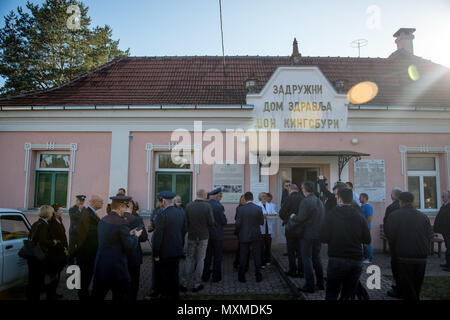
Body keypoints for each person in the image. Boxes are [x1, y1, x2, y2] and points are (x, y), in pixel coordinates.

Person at [320, 188, 371, 300]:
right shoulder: (359, 216)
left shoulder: (332, 215)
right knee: (348, 293)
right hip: (356, 259)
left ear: (339, 199)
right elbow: (367, 239)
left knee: (332, 292)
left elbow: (323, 237)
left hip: (337, 258)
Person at [384, 192, 433, 300]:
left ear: (400, 202)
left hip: (403, 256)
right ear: (412, 201)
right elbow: (429, 235)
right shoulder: (423, 216)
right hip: (421, 256)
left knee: (406, 288)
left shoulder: (395, 215)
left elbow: (390, 234)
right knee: (416, 286)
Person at [92, 196, 142, 300]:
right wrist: (136, 236)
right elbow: (129, 246)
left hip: (101, 265)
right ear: (120, 207)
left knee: (97, 295)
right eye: (125, 207)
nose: (125, 210)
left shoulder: (103, 220)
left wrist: (128, 233)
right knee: (121, 295)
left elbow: (110, 237)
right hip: (117, 268)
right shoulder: (122, 222)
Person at [286, 181, 324, 293]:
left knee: (306, 259)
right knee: (317, 258)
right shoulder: (319, 201)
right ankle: (321, 283)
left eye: (302, 188)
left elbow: (300, 218)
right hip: (318, 234)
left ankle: (310, 285)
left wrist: (293, 216)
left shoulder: (306, 201)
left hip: (307, 234)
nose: (301, 190)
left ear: (305, 189)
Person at [152, 191, 187, 300]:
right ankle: (175, 295)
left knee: (164, 277)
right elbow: (184, 230)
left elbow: (158, 236)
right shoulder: (181, 212)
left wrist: (156, 253)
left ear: (163, 201)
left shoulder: (161, 214)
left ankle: (166, 295)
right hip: (176, 248)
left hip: (164, 251)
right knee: (174, 276)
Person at [180, 189, 214, 292]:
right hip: (203, 236)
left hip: (192, 236)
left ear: (197, 195)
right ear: (203, 195)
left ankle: (184, 283)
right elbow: (212, 222)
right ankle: (196, 284)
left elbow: (185, 221)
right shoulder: (207, 206)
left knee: (189, 259)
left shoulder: (189, 205)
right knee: (200, 260)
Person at [26, 205, 58, 300]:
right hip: (39, 257)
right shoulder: (44, 225)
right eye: (52, 213)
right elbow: (43, 241)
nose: (53, 214)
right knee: (37, 281)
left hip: (32, 256)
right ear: (48, 214)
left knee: (32, 281)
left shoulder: (36, 223)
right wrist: (53, 242)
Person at [75, 195, 103, 300]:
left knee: (86, 276)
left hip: (89, 251)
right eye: (101, 201)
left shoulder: (91, 213)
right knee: (85, 277)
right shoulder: (87, 214)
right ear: (94, 202)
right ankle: (83, 296)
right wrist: (102, 229)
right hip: (86, 252)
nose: (102, 203)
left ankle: (84, 294)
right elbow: (88, 232)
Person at [235, 192, 264, 283]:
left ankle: (242, 276)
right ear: (252, 198)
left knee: (243, 255)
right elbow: (261, 222)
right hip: (256, 234)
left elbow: (238, 223)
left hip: (244, 234)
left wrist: (239, 231)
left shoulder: (241, 209)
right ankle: (258, 276)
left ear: (245, 199)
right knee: (256, 255)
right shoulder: (258, 208)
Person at [123, 199, 148, 300]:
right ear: (132, 207)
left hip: (120, 256)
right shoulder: (137, 219)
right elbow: (143, 238)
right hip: (134, 255)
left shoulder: (116, 218)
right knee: (134, 282)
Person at [202, 188, 227, 282]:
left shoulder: (205, 205)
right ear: (216, 196)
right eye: (220, 196)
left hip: (206, 235)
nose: (220, 199)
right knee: (217, 257)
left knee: (206, 256)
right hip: (217, 235)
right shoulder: (219, 206)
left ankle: (205, 276)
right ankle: (216, 277)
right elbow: (223, 221)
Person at [279, 184, 304, 277]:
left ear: (290, 190)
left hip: (290, 228)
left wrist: (287, 219)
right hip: (302, 228)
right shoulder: (303, 198)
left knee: (291, 250)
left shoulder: (289, 198)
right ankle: (301, 271)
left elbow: (281, 213)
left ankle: (293, 270)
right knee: (301, 250)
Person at [48, 203, 69, 299]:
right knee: (53, 274)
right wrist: (63, 248)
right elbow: (55, 238)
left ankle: (53, 293)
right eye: (60, 210)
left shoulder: (59, 220)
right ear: (55, 212)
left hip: (62, 251)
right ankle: (50, 294)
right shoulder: (52, 222)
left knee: (57, 274)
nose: (62, 211)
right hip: (56, 252)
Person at [256, 192, 276, 267]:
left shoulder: (270, 205)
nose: (264, 197)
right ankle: (262, 262)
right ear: (260, 197)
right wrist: (262, 216)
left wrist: (270, 215)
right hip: (261, 229)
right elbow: (256, 216)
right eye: (263, 196)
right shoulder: (257, 205)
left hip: (269, 228)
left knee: (268, 246)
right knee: (261, 247)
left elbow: (275, 213)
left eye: (265, 196)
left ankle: (268, 260)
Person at [433, 190, 450, 271]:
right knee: (448, 247)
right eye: (442, 196)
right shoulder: (444, 206)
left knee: (449, 247)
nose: (442, 198)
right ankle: (448, 263)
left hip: (448, 230)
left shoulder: (448, 206)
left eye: (443, 196)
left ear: (448, 197)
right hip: (445, 230)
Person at [68, 194, 85, 263]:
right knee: (72, 248)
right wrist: (79, 211)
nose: (81, 202)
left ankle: (79, 262)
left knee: (80, 248)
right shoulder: (72, 209)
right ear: (76, 201)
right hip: (73, 231)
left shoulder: (85, 209)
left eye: (82, 201)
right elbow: (73, 217)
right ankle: (70, 263)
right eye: (80, 201)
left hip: (81, 232)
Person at [233, 195, 247, 270]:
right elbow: (236, 218)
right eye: (241, 199)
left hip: (246, 230)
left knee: (244, 248)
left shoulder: (248, 208)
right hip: (240, 231)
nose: (243, 201)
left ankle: (242, 264)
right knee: (240, 248)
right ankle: (237, 263)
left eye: (244, 199)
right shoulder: (238, 208)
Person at [359, 193, 374, 263]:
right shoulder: (362, 206)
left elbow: (369, 218)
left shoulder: (368, 206)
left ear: (365, 198)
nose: (359, 198)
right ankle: (365, 257)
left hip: (366, 228)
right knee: (364, 243)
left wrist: (365, 226)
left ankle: (369, 258)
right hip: (362, 228)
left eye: (360, 197)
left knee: (367, 243)